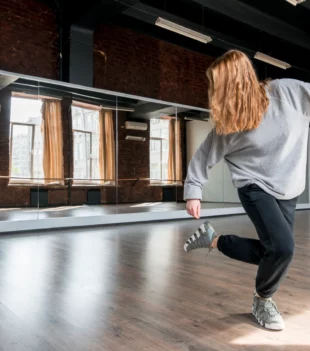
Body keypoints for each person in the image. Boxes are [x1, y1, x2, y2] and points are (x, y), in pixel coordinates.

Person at [183, 50, 310, 331]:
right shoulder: (229, 123)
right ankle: (262, 300)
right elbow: (204, 155)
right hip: (254, 185)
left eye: (216, 84)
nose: (214, 91)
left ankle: (213, 240)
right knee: (284, 248)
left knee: (275, 252)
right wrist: (194, 190)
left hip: (288, 185)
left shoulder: (288, 92)